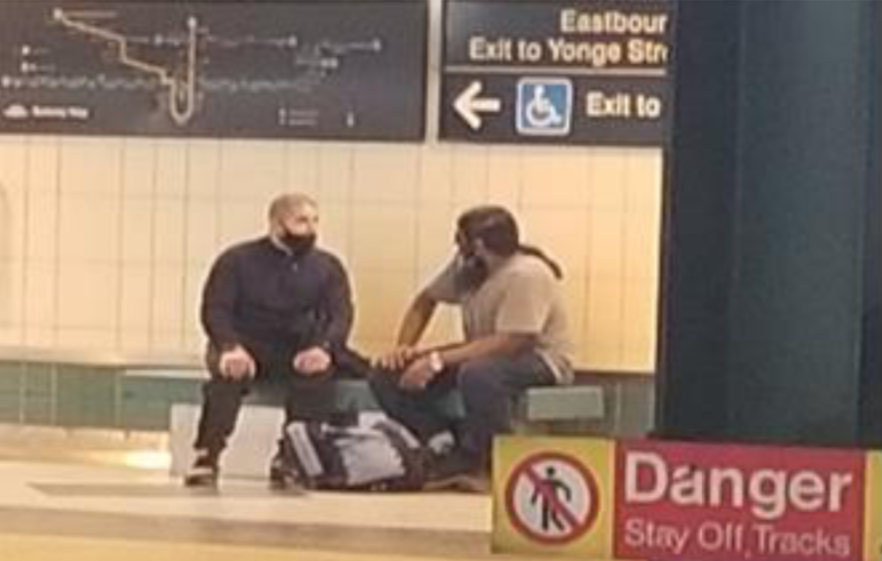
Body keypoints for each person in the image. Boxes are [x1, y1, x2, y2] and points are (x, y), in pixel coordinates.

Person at [370, 205, 573, 490]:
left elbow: (513, 341)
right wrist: (404, 348)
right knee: (387, 373)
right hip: (482, 352)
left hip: (538, 358)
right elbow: (424, 302)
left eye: (459, 239)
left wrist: (437, 360)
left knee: (479, 375)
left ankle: (491, 462)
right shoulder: (467, 268)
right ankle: (444, 442)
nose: (456, 247)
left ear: (477, 245)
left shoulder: (527, 274)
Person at [184, 193, 354, 488]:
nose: (310, 229)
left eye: (314, 221)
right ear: (277, 224)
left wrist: (323, 348)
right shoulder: (236, 260)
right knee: (228, 378)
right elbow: (215, 309)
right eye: (301, 221)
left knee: (316, 375)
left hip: (298, 347)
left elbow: (340, 314)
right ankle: (206, 455)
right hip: (246, 345)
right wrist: (229, 347)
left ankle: (290, 457)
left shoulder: (328, 267)